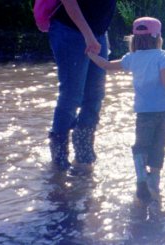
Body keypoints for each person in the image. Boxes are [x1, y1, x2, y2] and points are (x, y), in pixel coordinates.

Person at [87, 17, 165, 200]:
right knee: (159, 146)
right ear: (158, 38)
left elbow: (106, 65)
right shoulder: (163, 55)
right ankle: (154, 183)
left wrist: (91, 54)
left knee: (141, 146)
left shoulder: (131, 58)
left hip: (145, 113)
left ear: (134, 39)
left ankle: (141, 179)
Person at [47, 0, 117, 171]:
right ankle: (59, 160)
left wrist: (98, 34)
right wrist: (88, 35)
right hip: (70, 31)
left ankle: (84, 154)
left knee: (95, 95)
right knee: (71, 95)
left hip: (98, 34)